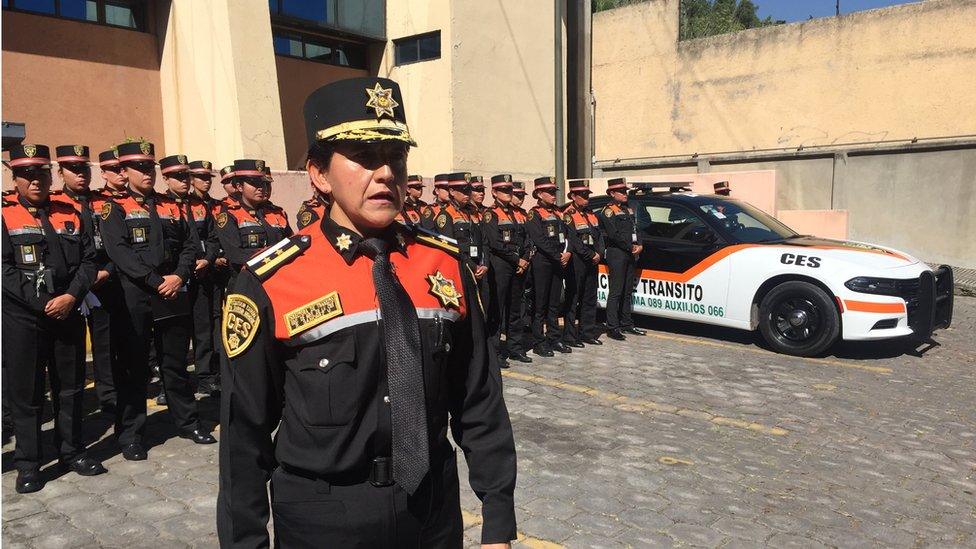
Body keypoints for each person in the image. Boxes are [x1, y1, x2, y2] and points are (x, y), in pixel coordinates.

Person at [217, 76, 517, 548]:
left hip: (431, 512)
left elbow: (478, 398)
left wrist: (498, 517)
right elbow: (243, 436)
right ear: (319, 174)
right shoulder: (271, 281)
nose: (385, 174)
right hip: (325, 517)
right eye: (363, 157)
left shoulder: (444, 264)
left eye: (395, 157)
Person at [100, 144, 217, 461]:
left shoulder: (173, 206)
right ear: (124, 172)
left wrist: (178, 277)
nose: (146, 173)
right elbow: (120, 253)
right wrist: (156, 281)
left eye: (149, 167)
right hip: (136, 297)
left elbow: (192, 245)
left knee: (175, 365)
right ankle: (132, 435)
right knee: (134, 368)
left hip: (173, 294)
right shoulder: (115, 209)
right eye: (139, 167)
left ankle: (188, 422)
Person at [2, 144, 107, 493]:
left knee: (71, 387)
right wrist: (46, 302)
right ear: (14, 178)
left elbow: (89, 261)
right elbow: (4, 270)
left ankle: (72, 450)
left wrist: (70, 297)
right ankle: (29, 463)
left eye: (41, 174)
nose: (35, 181)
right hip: (24, 318)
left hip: (68, 312)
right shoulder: (4, 213)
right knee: (27, 393)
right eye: (27, 175)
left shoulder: (72, 211)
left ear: (51, 175)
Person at [53, 145, 120, 413]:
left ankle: (107, 395)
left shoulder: (104, 202)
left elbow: (118, 245)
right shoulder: (55, 204)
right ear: (61, 172)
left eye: (84, 169)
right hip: (73, 285)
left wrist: (107, 271)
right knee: (72, 348)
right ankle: (73, 398)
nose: (80, 174)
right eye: (73, 169)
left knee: (105, 344)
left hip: (104, 279)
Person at [483, 174, 533, 364]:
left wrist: (525, 259)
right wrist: (516, 260)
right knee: (497, 309)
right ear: (494, 192)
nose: (508, 193)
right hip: (502, 265)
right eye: (504, 190)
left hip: (518, 265)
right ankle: (494, 351)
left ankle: (515, 347)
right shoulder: (491, 214)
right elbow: (495, 243)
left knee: (515, 309)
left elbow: (526, 239)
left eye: (510, 190)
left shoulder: (516, 213)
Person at [524, 177, 571, 357]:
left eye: (554, 192)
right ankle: (539, 341)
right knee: (540, 304)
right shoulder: (534, 214)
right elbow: (539, 239)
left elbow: (569, 234)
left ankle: (554, 338)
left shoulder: (559, 213)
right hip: (543, 262)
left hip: (558, 261)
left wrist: (569, 252)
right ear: (539, 194)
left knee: (554, 303)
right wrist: (557, 254)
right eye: (549, 193)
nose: (553, 196)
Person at [188, 160, 223, 395]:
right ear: (191, 180)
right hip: (194, 271)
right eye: (200, 177)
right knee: (201, 325)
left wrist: (213, 258)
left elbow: (218, 236)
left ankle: (216, 369)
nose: (206, 181)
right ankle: (203, 374)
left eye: (208, 177)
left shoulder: (217, 205)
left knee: (216, 320)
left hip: (215, 270)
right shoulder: (187, 205)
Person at [597, 177, 646, 340]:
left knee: (627, 291)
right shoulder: (608, 211)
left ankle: (626, 323)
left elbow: (636, 228)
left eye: (625, 191)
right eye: (622, 191)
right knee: (616, 291)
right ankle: (613, 327)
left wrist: (639, 244)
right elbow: (614, 234)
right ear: (612, 193)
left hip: (630, 253)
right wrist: (630, 247)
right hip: (617, 253)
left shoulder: (628, 209)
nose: (625, 194)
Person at [561, 180, 605, 347]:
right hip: (578, 261)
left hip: (593, 260)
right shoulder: (568, 214)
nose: (586, 198)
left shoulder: (591, 213)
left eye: (588, 195)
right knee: (573, 298)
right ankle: (570, 336)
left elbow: (599, 235)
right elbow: (572, 239)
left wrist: (599, 253)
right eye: (583, 195)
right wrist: (590, 254)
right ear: (573, 196)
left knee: (589, 297)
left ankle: (587, 332)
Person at [434, 172, 489, 284]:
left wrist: (485, 264)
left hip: (479, 266)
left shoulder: (473, 212)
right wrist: (474, 267)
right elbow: (450, 247)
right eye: (463, 191)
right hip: (460, 267)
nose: (467, 194)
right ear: (452, 191)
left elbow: (484, 240)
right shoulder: (446, 215)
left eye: (469, 190)